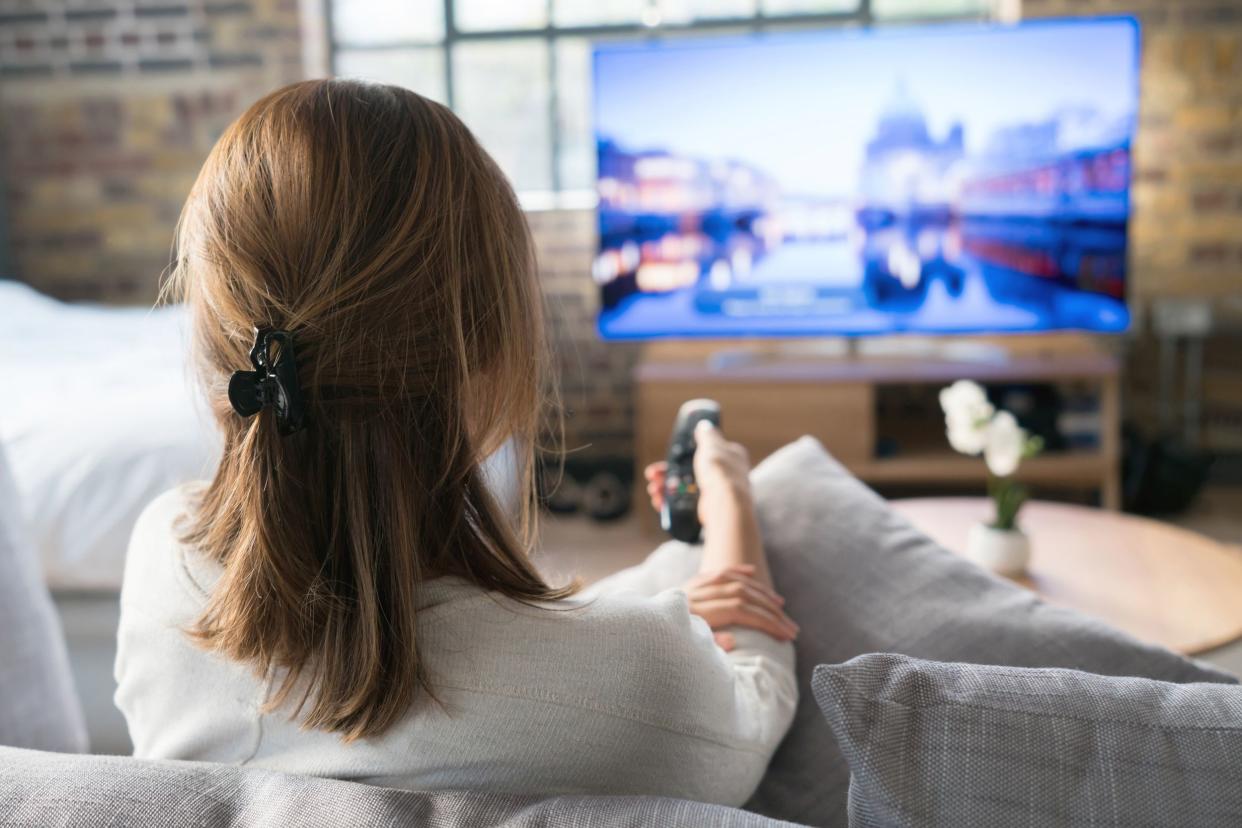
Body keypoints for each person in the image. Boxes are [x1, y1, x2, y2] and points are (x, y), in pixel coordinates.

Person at [115, 79, 798, 807]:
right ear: (488, 351)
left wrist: (656, 595)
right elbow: (748, 715)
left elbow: (496, 646)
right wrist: (732, 509)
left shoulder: (163, 557)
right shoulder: (639, 682)